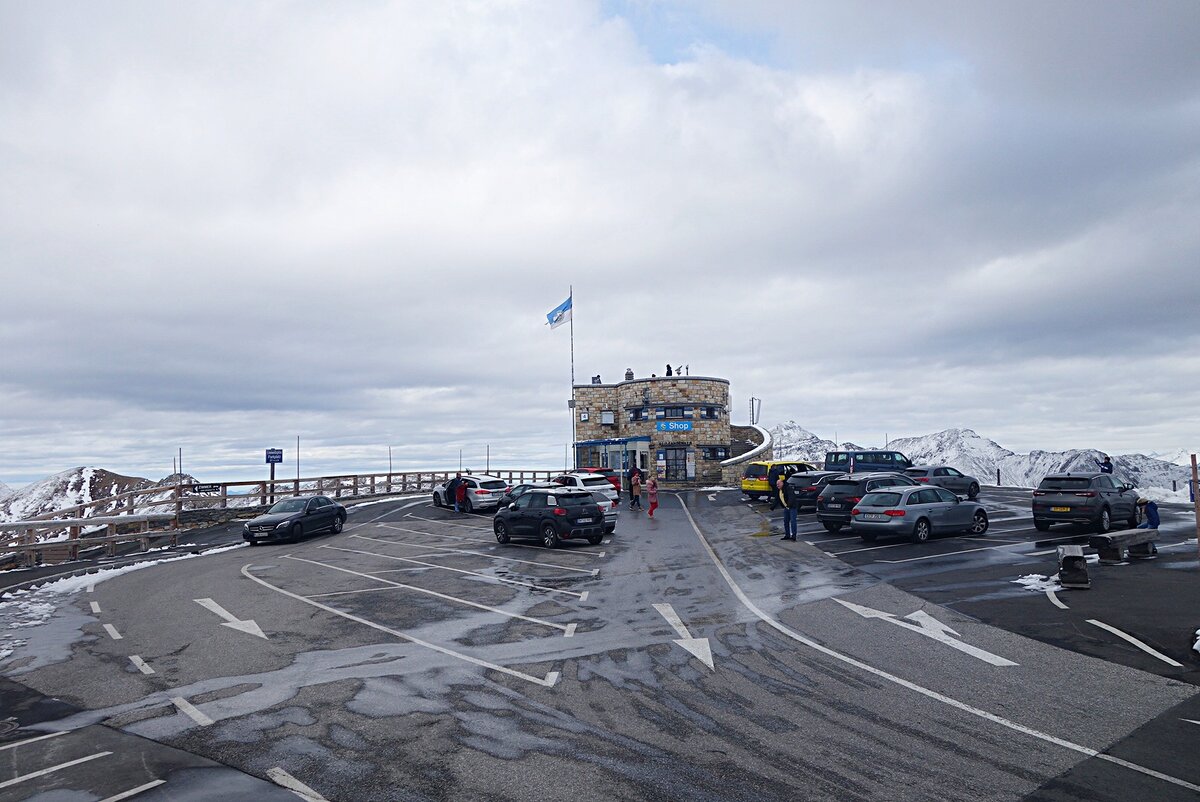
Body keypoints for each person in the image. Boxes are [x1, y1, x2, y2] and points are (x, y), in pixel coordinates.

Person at [780, 474, 799, 540]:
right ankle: (787, 535)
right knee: (786, 521)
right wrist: (772, 507)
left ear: (782, 483)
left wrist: (789, 505)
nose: (777, 486)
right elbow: (778, 498)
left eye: (778, 484)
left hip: (792, 507)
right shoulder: (780, 490)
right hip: (787, 507)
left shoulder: (788, 488)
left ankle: (794, 536)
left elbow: (791, 497)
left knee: (793, 521)